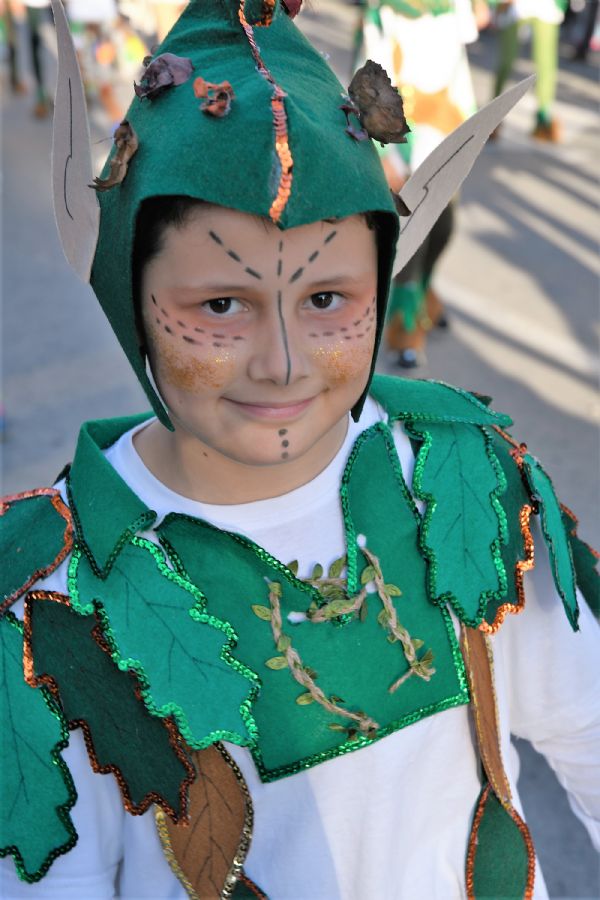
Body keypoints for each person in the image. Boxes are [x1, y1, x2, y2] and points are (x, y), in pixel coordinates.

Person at [1, 2, 598, 898]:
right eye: (220, 306)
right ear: (131, 301)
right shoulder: (51, 594)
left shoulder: (463, 477)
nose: (281, 364)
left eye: (327, 300)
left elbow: (588, 732)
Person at [356, 0, 490, 367]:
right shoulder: (384, 15)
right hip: (407, 139)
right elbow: (370, 82)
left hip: (447, 129)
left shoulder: (452, 7)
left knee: (445, 228)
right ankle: (405, 325)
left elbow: (477, 21)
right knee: (413, 235)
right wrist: (386, 154)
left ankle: (427, 292)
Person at [492, 0, 567, 142]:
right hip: (515, 5)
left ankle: (543, 118)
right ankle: (492, 116)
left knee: (545, 63)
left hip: (546, 5)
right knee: (506, 62)